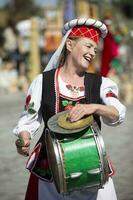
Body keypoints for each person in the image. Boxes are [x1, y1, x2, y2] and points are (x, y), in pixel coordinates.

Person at [13, 18, 126, 200]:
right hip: (52, 172)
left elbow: (117, 112)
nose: (92, 53)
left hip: (92, 167)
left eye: (95, 50)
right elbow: (28, 120)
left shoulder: (100, 83)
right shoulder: (43, 82)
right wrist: (24, 138)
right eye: (88, 46)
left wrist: (94, 107)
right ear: (70, 45)